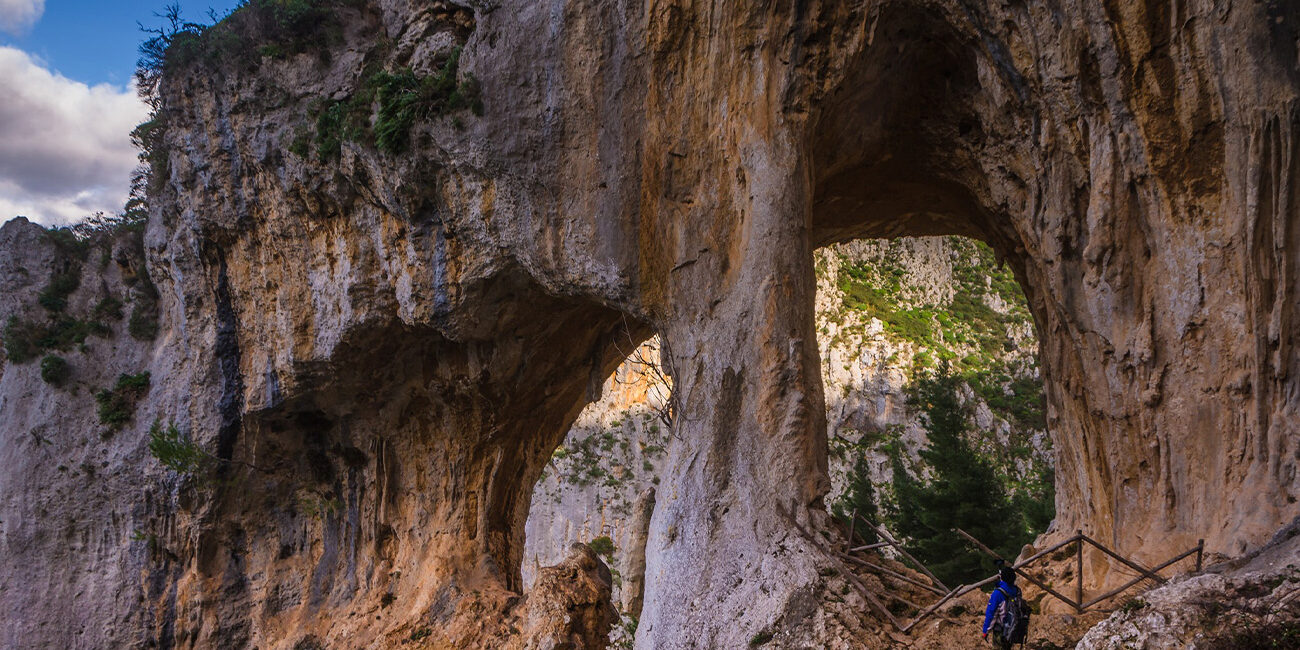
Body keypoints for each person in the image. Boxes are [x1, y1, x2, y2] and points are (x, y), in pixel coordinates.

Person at [981, 565, 1022, 648]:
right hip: (1013, 627)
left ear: (1001, 577)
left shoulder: (998, 593)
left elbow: (992, 613)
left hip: (1001, 629)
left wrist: (986, 630)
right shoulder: (1017, 590)